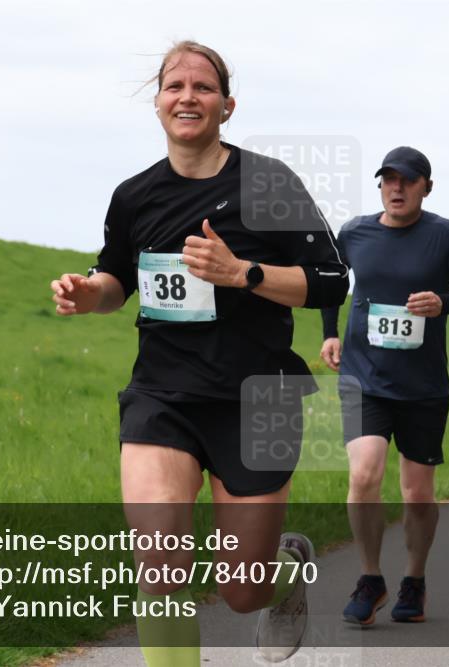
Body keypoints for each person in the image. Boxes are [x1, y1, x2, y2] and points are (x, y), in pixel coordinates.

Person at [50, 41, 349, 665]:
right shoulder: (134, 196)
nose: (188, 96)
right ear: (158, 103)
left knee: (242, 592)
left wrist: (244, 273)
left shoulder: (270, 183)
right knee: (160, 566)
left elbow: (330, 280)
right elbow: (116, 280)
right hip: (163, 396)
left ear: (227, 105)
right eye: (175, 86)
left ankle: (285, 573)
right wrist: (90, 293)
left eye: (203, 87)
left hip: (257, 399)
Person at [318, 147, 449, 625]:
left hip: (422, 386)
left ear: (426, 187)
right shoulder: (355, 231)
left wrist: (443, 302)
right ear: (380, 185)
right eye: (389, 179)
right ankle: (370, 577)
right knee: (364, 475)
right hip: (363, 377)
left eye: (408, 180)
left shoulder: (444, 235)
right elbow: (332, 282)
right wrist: (330, 333)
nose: (397, 188)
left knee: (417, 493)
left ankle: (413, 581)